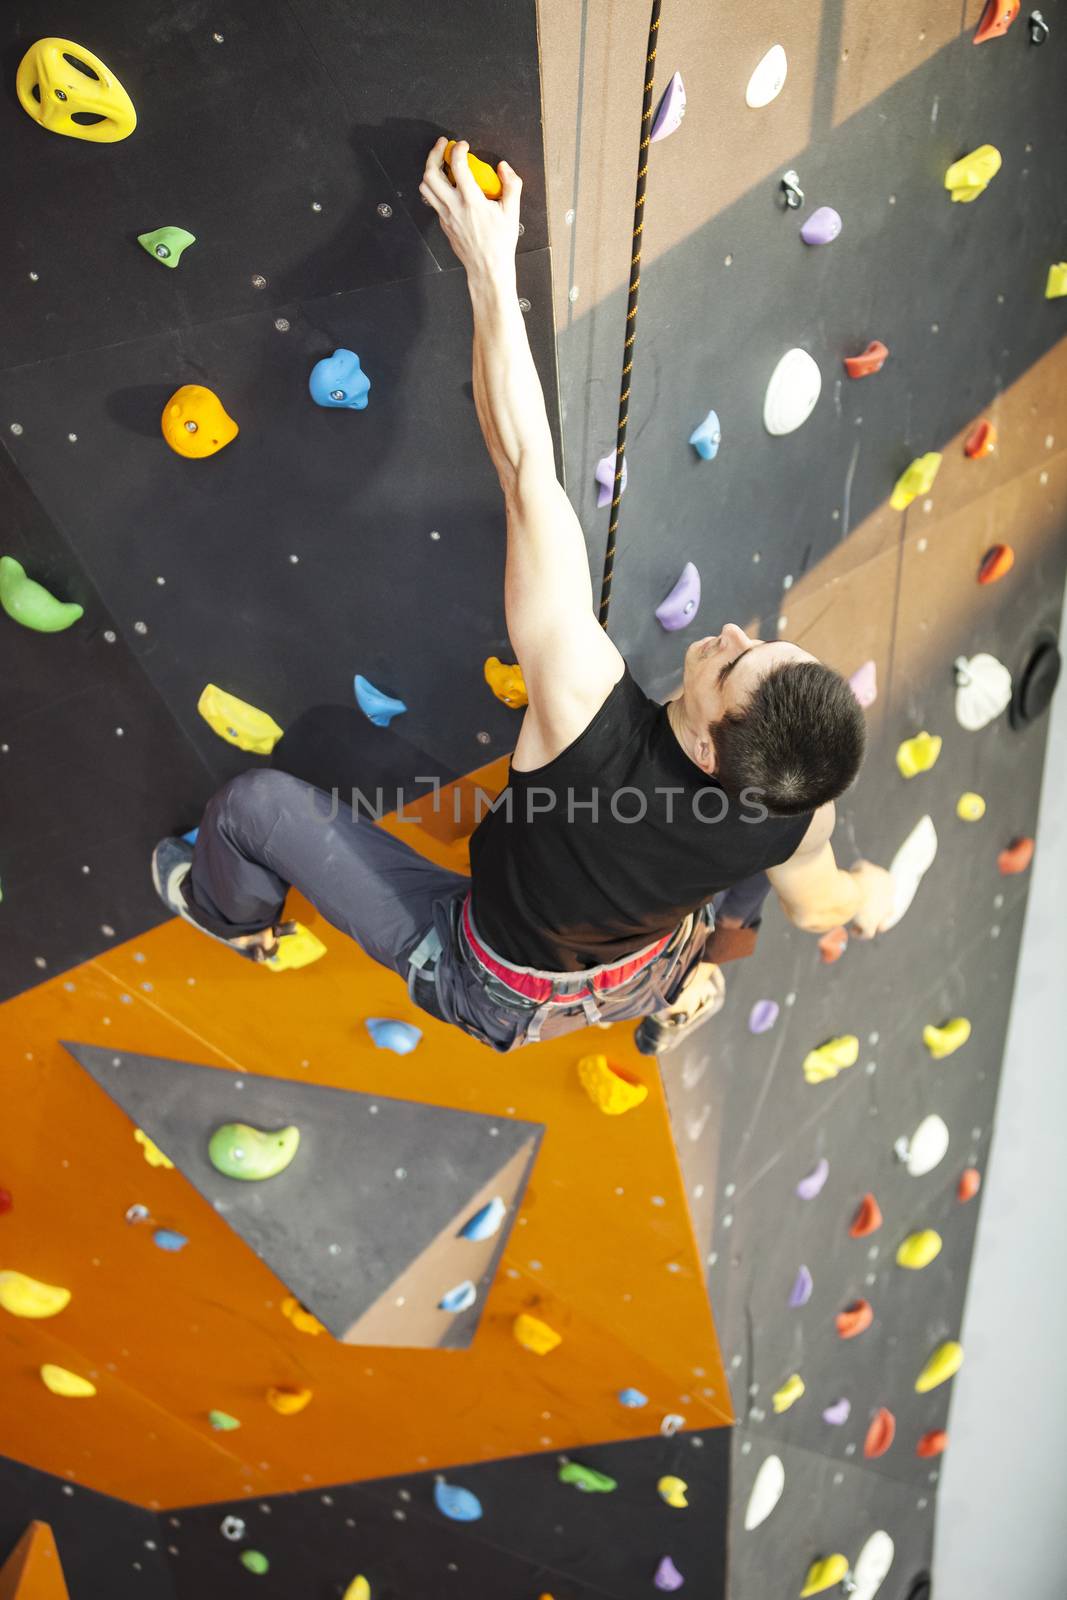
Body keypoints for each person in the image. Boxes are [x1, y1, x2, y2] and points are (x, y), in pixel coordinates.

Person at [151, 139, 895, 1055]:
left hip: (496, 985)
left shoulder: (586, 715)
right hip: (641, 965)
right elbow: (824, 902)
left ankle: (226, 915)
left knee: (252, 810)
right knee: (766, 878)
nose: (730, 633)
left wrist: (489, 266)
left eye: (732, 663)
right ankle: (696, 973)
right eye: (764, 644)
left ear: (705, 745)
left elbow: (524, 467)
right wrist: (874, 894)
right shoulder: (798, 812)